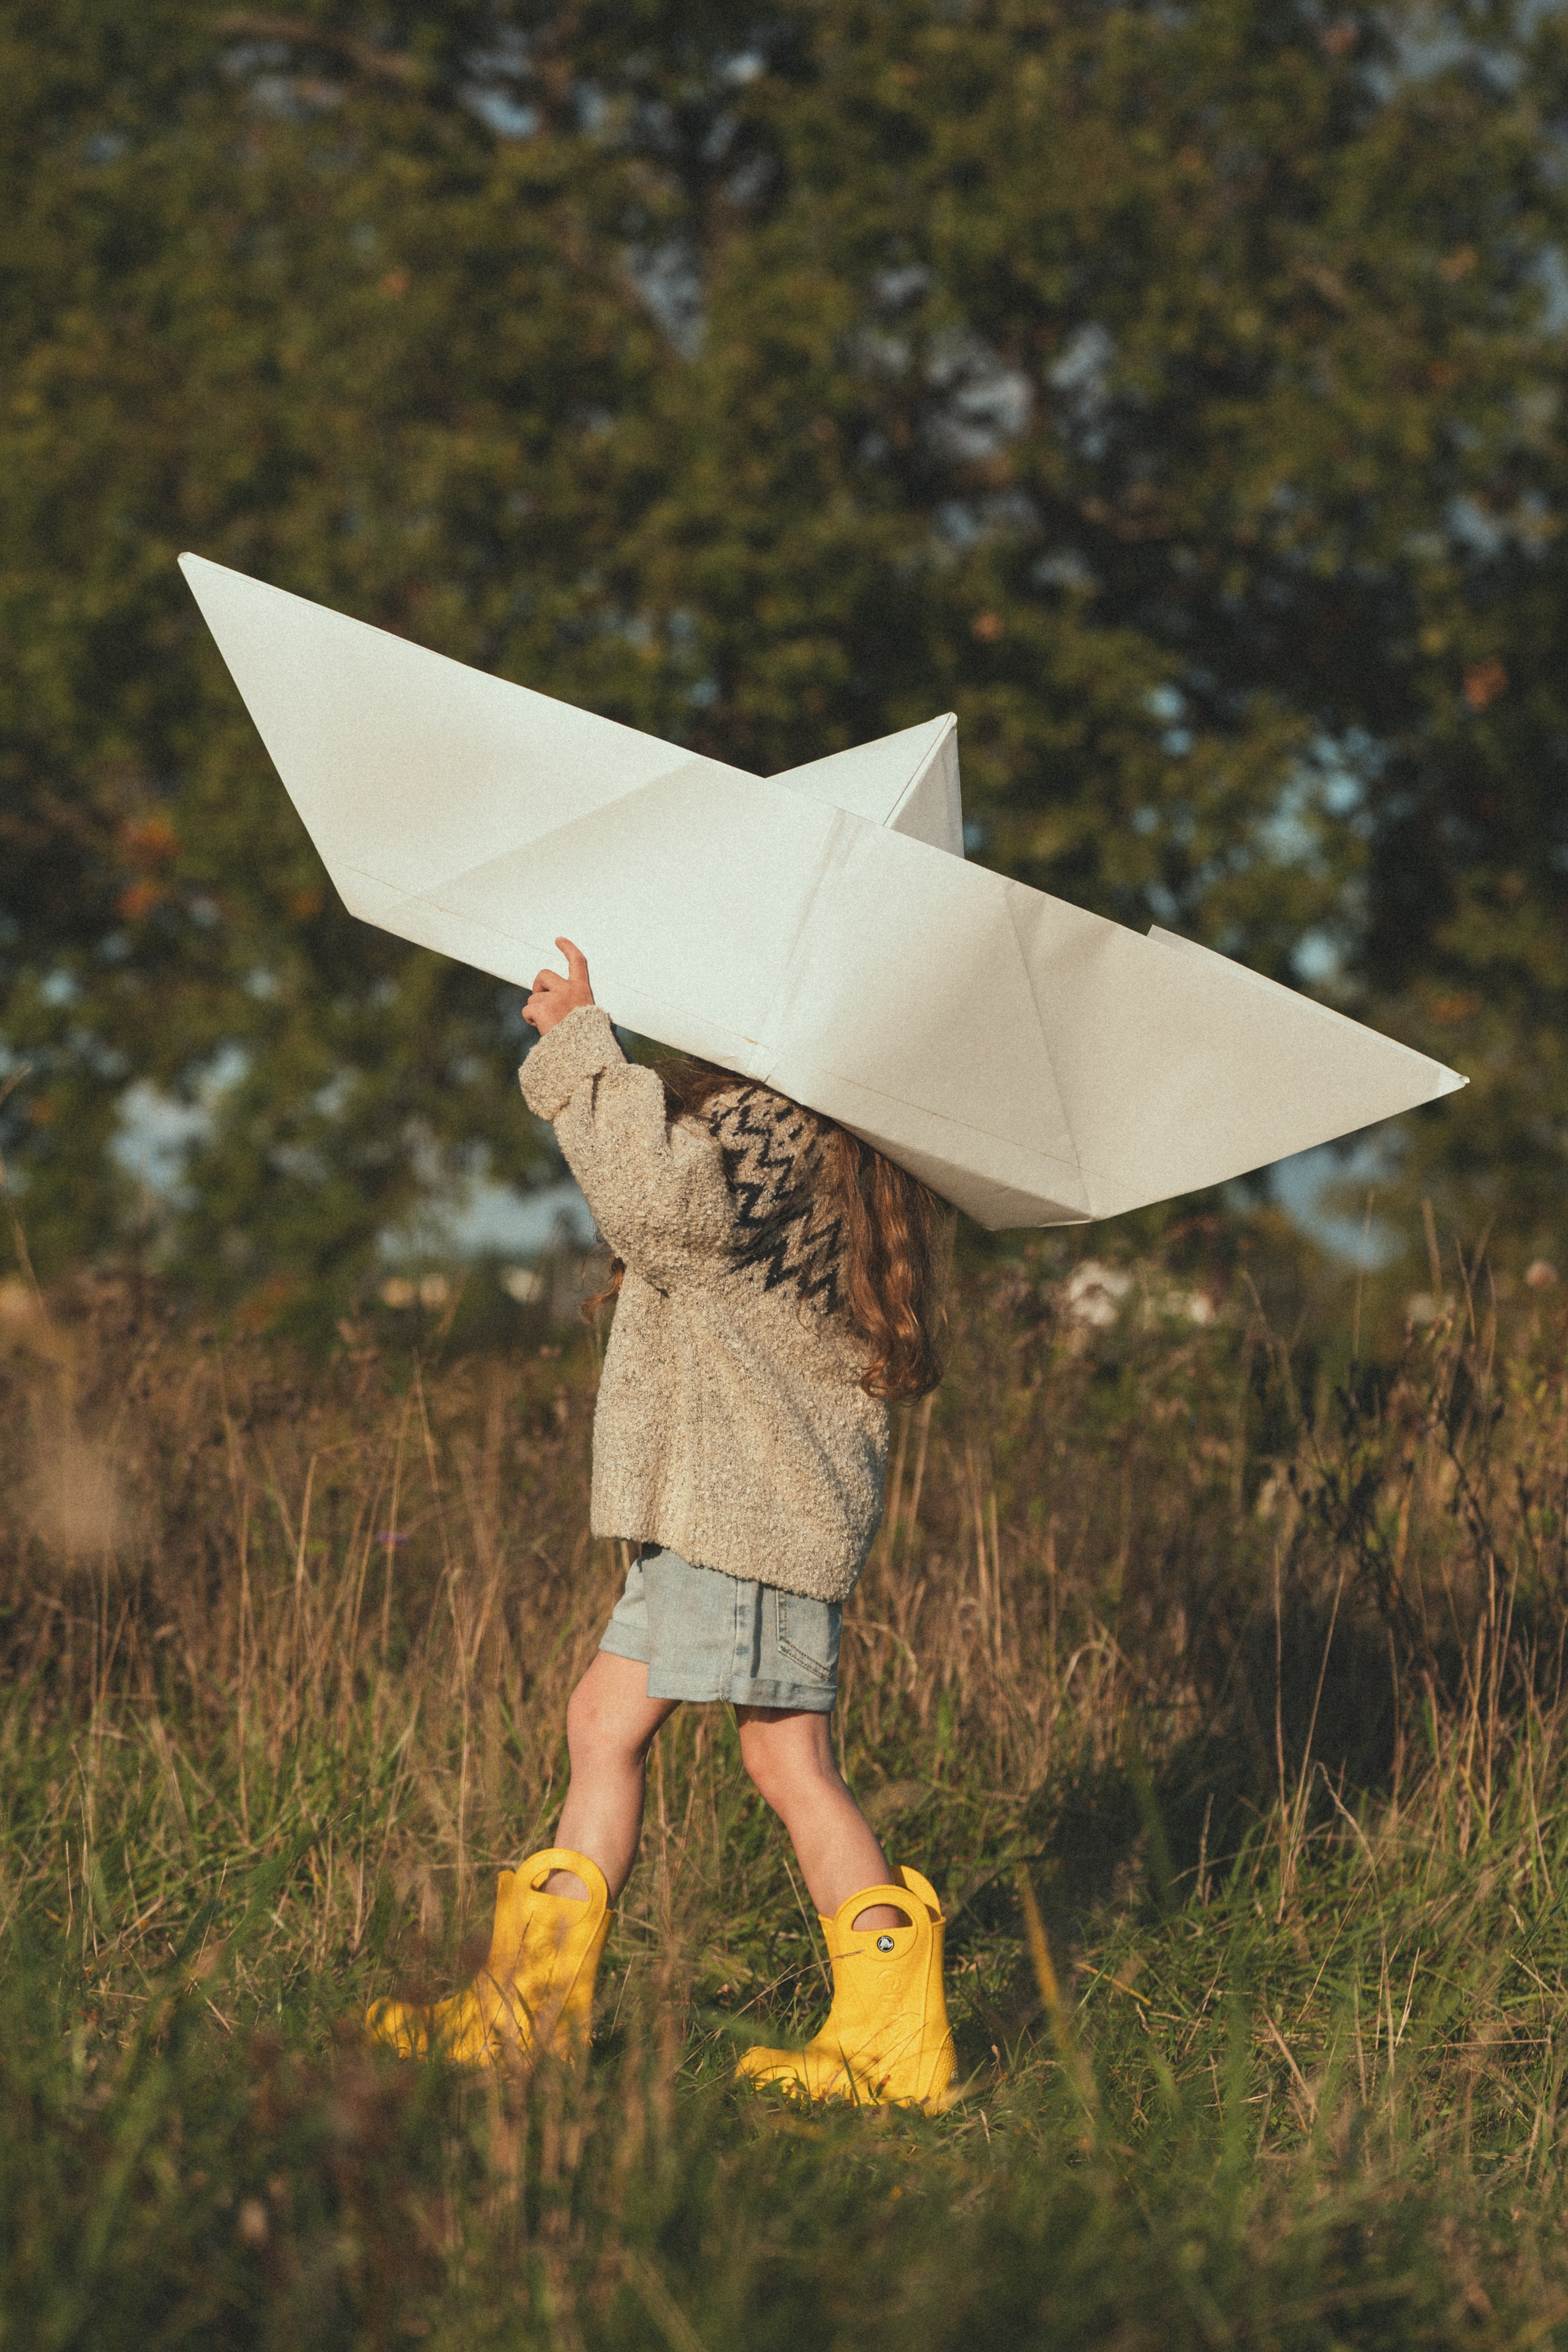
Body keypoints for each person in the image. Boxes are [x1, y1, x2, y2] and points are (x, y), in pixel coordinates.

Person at [368, 938, 957, 2111]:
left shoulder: (778, 1122)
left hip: (741, 1507)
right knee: (607, 1723)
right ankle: (526, 2014)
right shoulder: (810, 1128)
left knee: (785, 1761)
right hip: (736, 1502)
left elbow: (657, 1207)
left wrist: (581, 1042)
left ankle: (893, 2046)